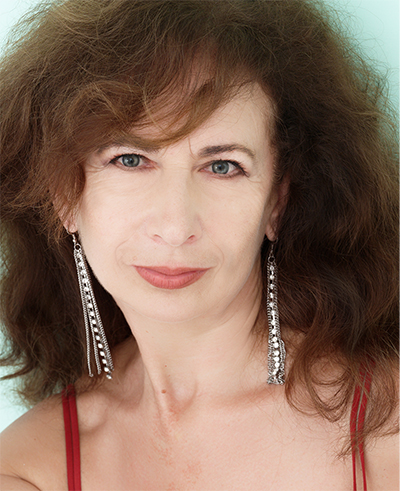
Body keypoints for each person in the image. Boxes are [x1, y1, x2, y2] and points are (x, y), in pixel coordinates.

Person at [0, 0, 398, 489]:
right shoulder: (26, 470)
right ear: (65, 193)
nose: (175, 227)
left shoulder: (387, 429)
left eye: (222, 166)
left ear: (276, 203)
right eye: (129, 160)